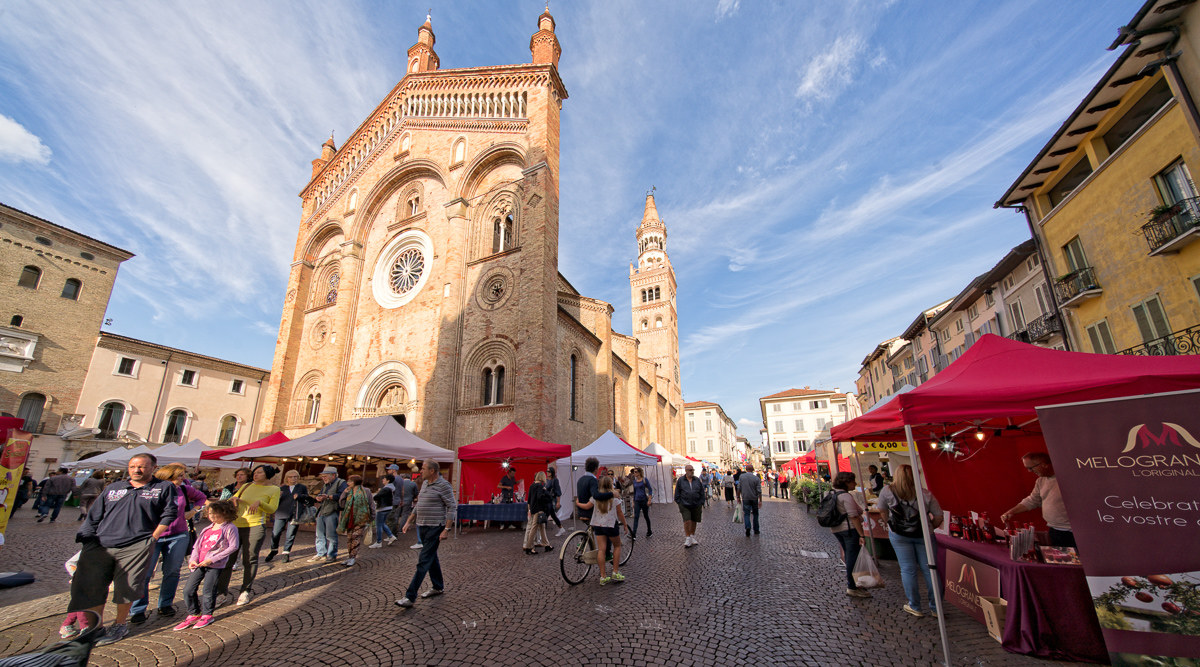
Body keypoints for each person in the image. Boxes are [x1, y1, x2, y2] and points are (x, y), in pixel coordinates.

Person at [69, 453, 178, 646]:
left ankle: (119, 624)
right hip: (100, 543)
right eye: (133, 466)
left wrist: (152, 538)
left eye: (142, 466)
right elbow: (94, 515)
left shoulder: (163, 487)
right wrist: (87, 538)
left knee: (127, 586)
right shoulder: (114, 488)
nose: (137, 470)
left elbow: (169, 514)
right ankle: (95, 626)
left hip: (136, 544)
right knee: (93, 586)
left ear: (153, 468)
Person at [130, 462, 208, 624]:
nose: (184, 478)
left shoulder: (184, 489)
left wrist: (193, 511)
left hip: (178, 535)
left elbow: (201, 498)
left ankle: (165, 604)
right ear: (169, 475)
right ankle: (138, 608)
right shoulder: (152, 489)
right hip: (152, 535)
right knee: (145, 572)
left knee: (172, 571)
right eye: (180, 475)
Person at [877, 464, 943, 617]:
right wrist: (930, 527)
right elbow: (939, 516)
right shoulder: (925, 494)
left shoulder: (887, 491)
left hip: (899, 535)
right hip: (924, 535)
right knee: (930, 570)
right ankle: (936, 608)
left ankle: (915, 605)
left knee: (908, 569)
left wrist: (890, 524)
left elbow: (882, 510)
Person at [395, 459, 456, 608]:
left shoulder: (444, 485)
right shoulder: (425, 484)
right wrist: (409, 520)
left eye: (423, 469)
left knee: (424, 559)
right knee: (431, 557)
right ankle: (437, 586)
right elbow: (419, 504)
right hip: (421, 525)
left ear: (432, 471)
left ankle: (410, 596)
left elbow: (452, 507)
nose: (420, 471)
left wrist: (446, 529)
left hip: (435, 527)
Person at [218, 464, 280, 606]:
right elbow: (232, 499)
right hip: (235, 525)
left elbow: (272, 509)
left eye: (259, 472)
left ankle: (245, 590)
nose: (255, 475)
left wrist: (260, 502)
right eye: (255, 472)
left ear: (267, 474)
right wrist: (234, 500)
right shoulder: (246, 486)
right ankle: (221, 593)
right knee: (228, 559)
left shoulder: (274, 489)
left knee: (250, 558)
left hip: (255, 526)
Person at [175, 500, 239, 630]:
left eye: (215, 514)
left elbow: (233, 546)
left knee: (208, 590)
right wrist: (192, 560)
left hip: (215, 565)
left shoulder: (230, 528)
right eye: (210, 514)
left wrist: (213, 560)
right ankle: (194, 613)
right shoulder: (207, 529)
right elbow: (197, 547)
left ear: (225, 513)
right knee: (188, 589)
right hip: (200, 564)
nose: (212, 516)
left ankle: (207, 614)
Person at [1001, 452, 1074, 548]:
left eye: (1030, 468)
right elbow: (1032, 500)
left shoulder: (1070, 479)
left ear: (1044, 464)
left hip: (1073, 532)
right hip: (1054, 531)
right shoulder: (1041, 481)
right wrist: (1012, 511)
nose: (1029, 471)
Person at [577, 475, 628, 584]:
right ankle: (615, 572)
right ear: (611, 485)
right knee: (617, 546)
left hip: (597, 525)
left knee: (601, 550)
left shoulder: (595, 497)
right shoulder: (614, 497)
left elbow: (586, 506)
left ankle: (603, 577)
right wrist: (625, 524)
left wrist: (577, 503)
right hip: (610, 525)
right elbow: (619, 513)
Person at [827, 472, 870, 598]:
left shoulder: (832, 494)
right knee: (852, 557)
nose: (855, 484)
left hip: (837, 529)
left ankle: (855, 584)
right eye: (853, 481)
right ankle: (852, 586)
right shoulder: (845, 496)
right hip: (849, 529)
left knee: (850, 555)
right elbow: (854, 516)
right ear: (846, 482)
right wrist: (861, 534)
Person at [267, 469, 308, 563]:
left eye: (295, 477)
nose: (293, 478)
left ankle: (286, 553)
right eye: (291, 477)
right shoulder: (282, 488)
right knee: (275, 533)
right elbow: (274, 500)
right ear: (287, 478)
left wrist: (300, 497)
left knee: (290, 534)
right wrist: (278, 496)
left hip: (295, 513)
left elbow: (307, 499)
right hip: (281, 513)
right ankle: (273, 550)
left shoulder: (301, 487)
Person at [337, 475, 375, 566]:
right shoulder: (348, 491)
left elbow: (371, 503)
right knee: (349, 538)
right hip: (349, 518)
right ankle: (350, 556)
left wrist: (372, 516)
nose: (348, 483)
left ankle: (352, 558)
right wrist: (344, 494)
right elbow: (342, 505)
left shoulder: (366, 491)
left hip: (361, 518)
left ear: (355, 482)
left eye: (350, 481)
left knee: (355, 537)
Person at [312, 466, 347, 562]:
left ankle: (331, 555)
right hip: (322, 511)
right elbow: (321, 494)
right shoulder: (325, 485)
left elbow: (343, 495)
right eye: (322, 476)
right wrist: (319, 498)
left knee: (331, 535)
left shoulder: (341, 483)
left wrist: (328, 496)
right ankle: (321, 553)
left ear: (333, 475)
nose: (323, 478)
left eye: (325, 476)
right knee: (319, 534)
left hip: (332, 511)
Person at [674, 464, 705, 548]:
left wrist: (701, 501)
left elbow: (701, 491)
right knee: (687, 520)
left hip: (696, 503)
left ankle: (692, 536)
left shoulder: (697, 480)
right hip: (684, 504)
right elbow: (677, 492)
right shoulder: (681, 480)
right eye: (690, 470)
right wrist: (679, 502)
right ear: (686, 471)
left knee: (694, 520)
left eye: (692, 470)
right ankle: (687, 537)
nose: (692, 471)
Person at [522, 471, 553, 555]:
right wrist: (545, 492)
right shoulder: (540, 486)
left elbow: (529, 499)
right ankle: (529, 547)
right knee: (534, 528)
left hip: (533, 509)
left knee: (542, 527)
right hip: (539, 510)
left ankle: (547, 545)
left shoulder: (532, 485)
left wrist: (529, 509)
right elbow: (540, 497)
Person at [369, 473, 398, 549]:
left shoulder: (386, 489)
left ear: (388, 480)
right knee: (382, 523)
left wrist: (376, 495)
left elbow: (376, 497)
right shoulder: (392, 488)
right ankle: (391, 536)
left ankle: (379, 542)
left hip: (382, 508)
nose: (383, 480)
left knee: (378, 525)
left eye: (384, 479)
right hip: (388, 508)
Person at [630, 467, 653, 539]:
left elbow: (650, 490)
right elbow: (635, 492)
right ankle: (634, 534)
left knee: (646, 516)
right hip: (637, 500)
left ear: (639, 472)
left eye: (636, 472)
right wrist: (633, 501)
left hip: (644, 500)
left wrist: (649, 500)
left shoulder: (644, 480)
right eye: (634, 472)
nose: (634, 473)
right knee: (636, 517)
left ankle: (649, 531)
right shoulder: (634, 481)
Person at [576, 457, 600, 523]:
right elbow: (596, 495)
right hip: (591, 513)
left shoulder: (580, 479)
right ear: (595, 468)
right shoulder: (592, 480)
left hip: (581, 512)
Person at [739, 464, 762, 537]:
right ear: (753, 470)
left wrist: (738, 497)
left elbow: (738, 488)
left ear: (746, 469)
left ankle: (748, 527)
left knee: (746, 513)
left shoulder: (742, 477)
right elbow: (759, 491)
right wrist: (760, 500)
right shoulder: (756, 478)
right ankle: (756, 529)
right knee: (755, 514)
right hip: (754, 498)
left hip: (745, 497)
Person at [545, 466, 565, 537]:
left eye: (549, 471)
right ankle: (561, 528)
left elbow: (558, 491)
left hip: (552, 500)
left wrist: (558, 502)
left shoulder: (555, 480)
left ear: (552, 472)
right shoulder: (546, 480)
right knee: (550, 515)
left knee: (548, 515)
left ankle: (542, 533)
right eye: (547, 471)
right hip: (546, 500)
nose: (547, 473)